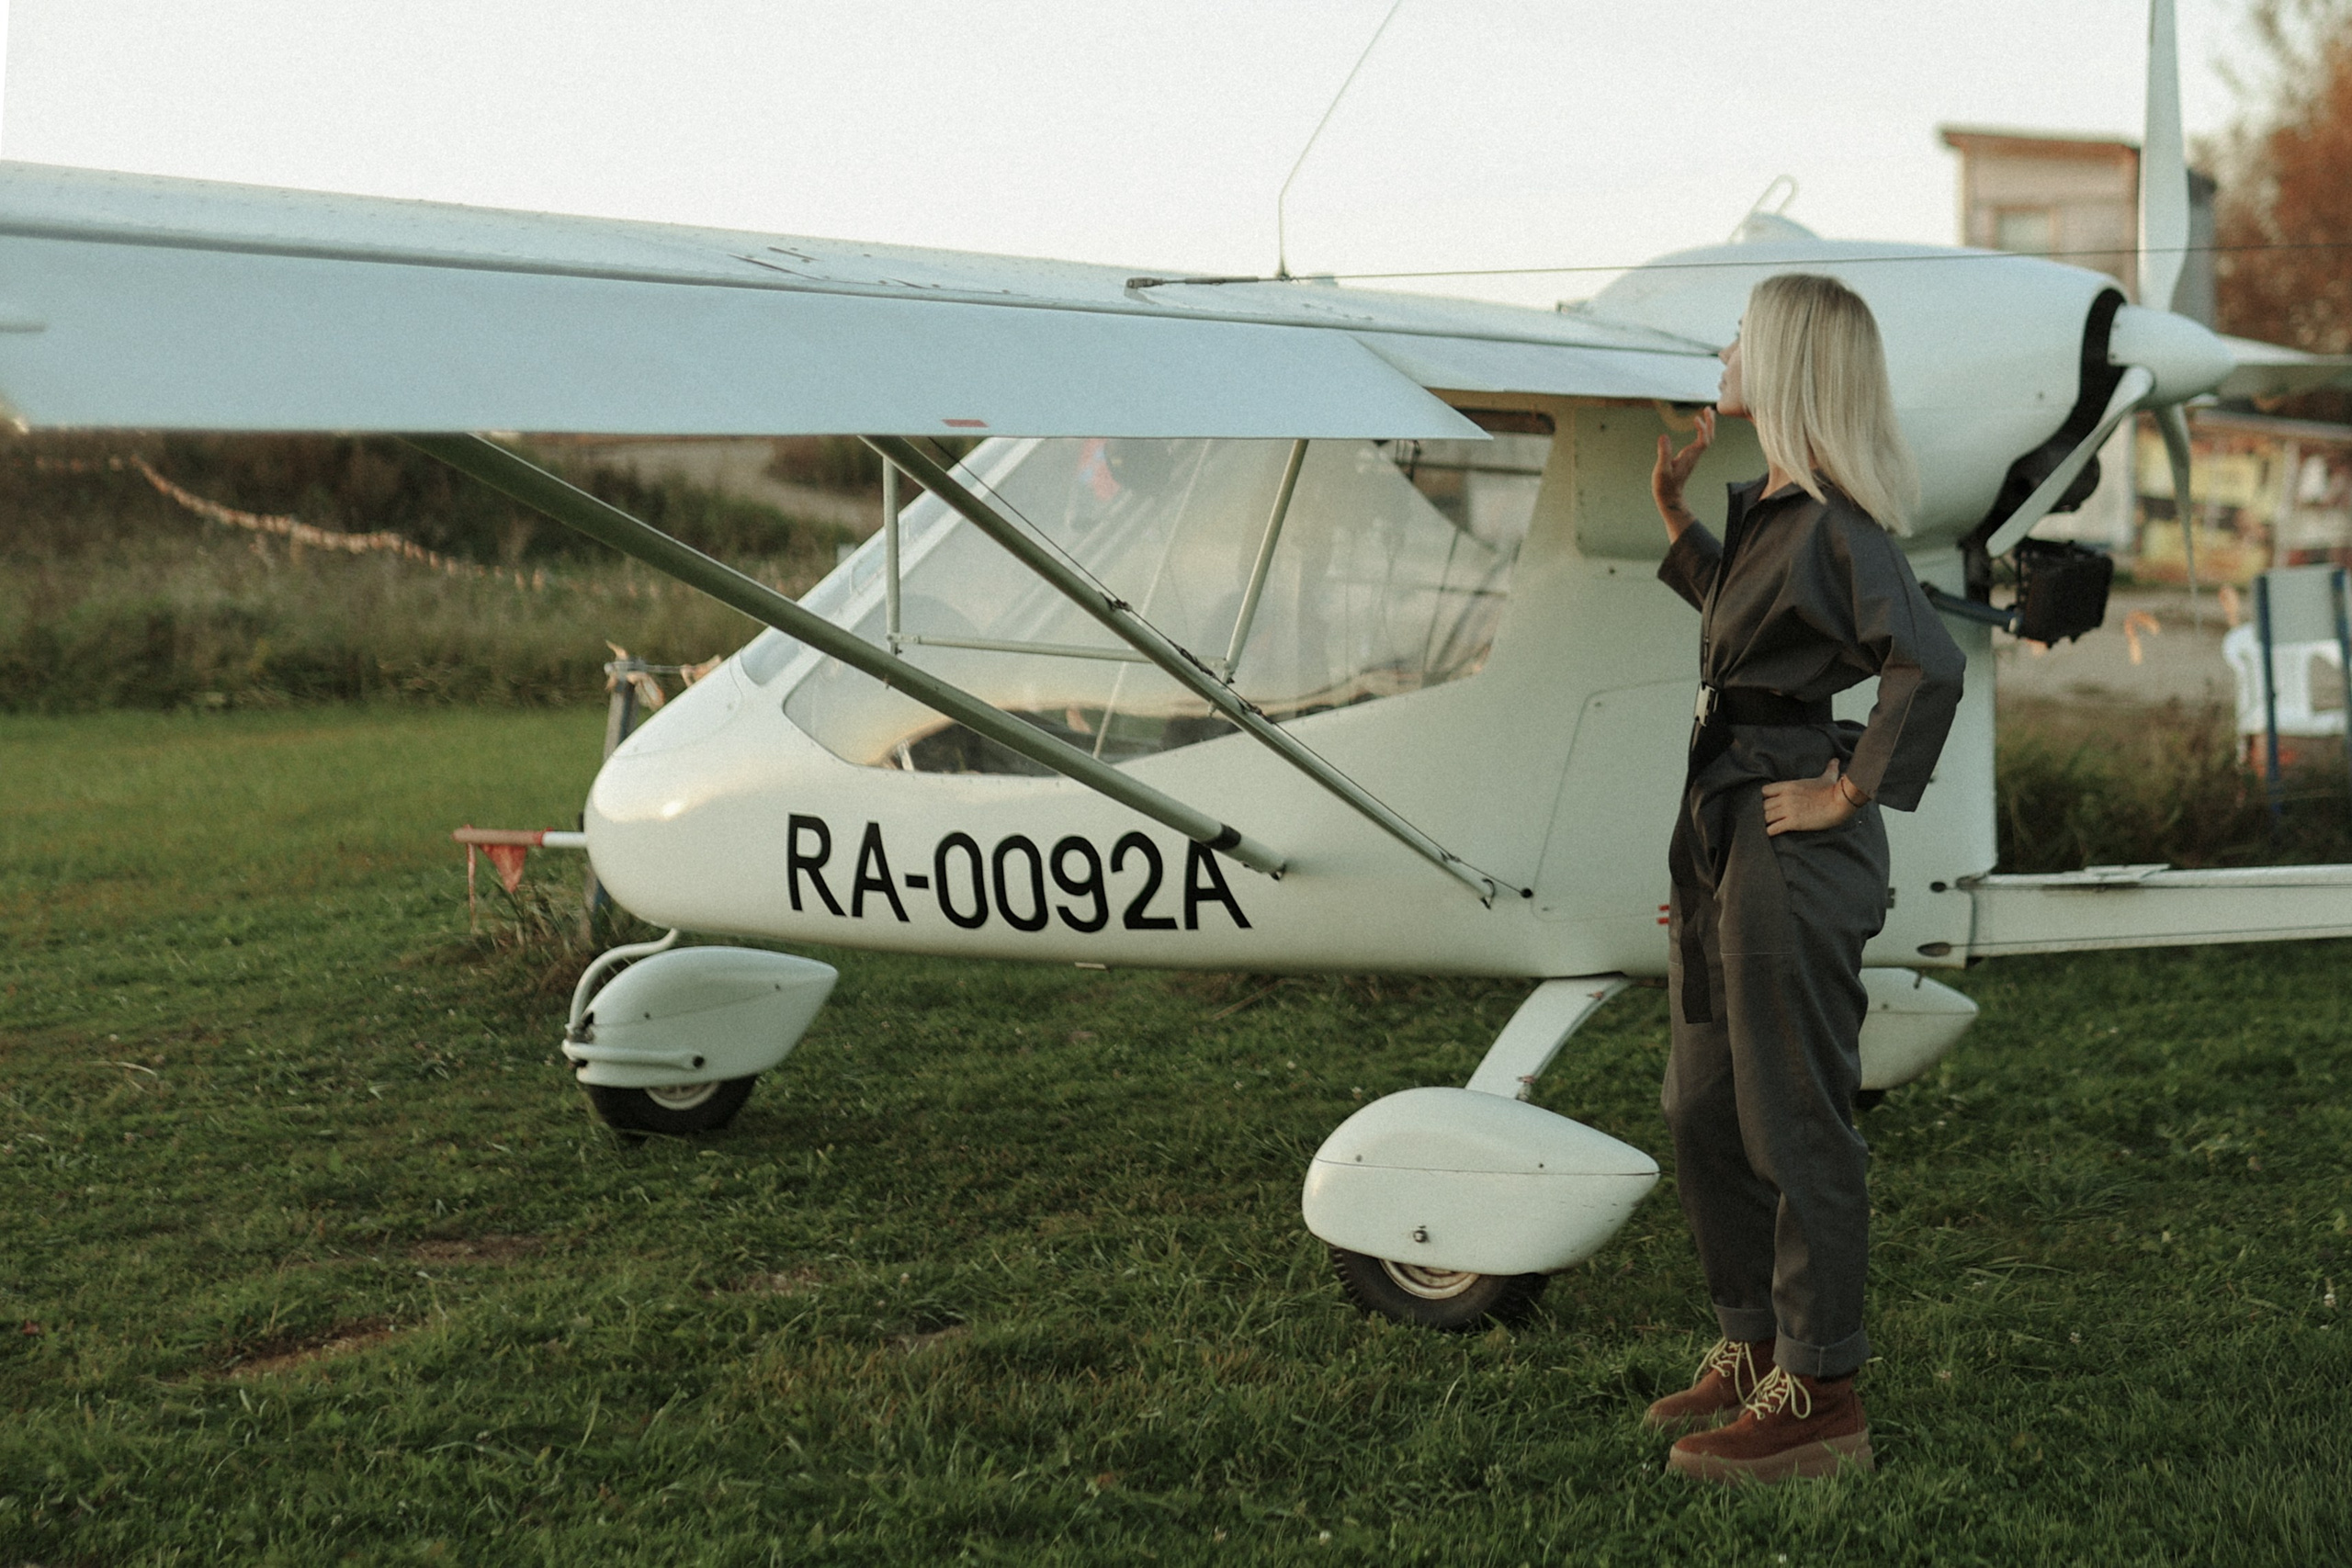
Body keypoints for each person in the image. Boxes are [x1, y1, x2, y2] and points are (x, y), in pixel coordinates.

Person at [1640, 272, 1965, 1483]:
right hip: (1726, 837)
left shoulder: (1837, 520)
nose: (1722, 353)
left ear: (1781, 363)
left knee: (1790, 1118)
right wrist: (1674, 516)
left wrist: (1847, 789)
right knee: (1702, 1105)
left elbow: (1924, 663)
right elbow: (1744, 642)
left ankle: (1819, 1390)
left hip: (1791, 844)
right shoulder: (1772, 508)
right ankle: (1752, 1343)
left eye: (1738, 339)